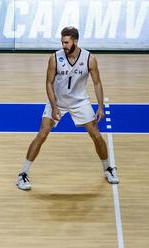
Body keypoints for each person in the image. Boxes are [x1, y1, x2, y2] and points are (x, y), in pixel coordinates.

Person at [16, 26, 119, 191]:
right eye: (62, 42)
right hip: (57, 101)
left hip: (80, 102)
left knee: (97, 135)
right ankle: (22, 174)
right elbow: (48, 83)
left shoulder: (89, 59)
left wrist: (100, 106)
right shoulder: (55, 58)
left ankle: (108, 168)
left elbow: (97, 83)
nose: (63, 45)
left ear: (75, 41)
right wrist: (54, 106)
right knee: (42, 133)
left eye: (66, 42)